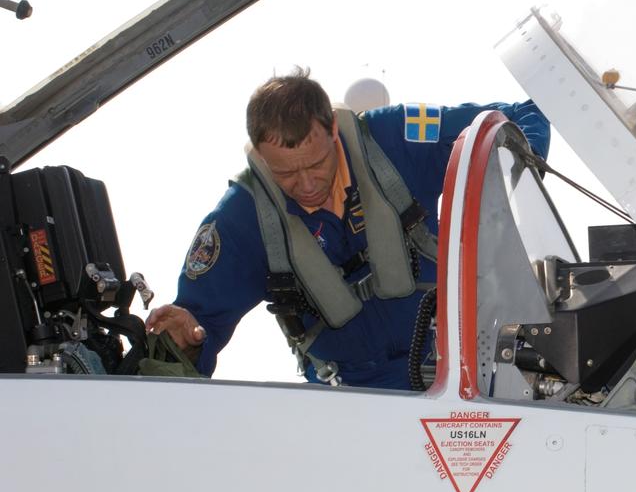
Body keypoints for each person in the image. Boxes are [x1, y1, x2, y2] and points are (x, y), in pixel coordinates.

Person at [145, 68, 551, 389]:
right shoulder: (241, 219)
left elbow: (520, 116)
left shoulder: (396, 139)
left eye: (316, 164)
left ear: (334, 132)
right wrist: (183, 339)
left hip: (462, 371)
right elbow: (197, 325)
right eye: (285, 173)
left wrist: (513, 184)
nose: (306, 185)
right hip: (350, 400)